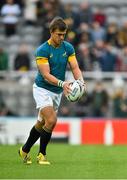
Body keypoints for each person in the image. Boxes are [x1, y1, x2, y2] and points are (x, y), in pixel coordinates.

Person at [18, 17, 85, 165]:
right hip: (42, 89)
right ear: (51, 32)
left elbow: (74, 67)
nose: (62, 37)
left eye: (64, 34)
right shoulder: (42, 50)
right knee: (52, 120)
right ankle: (41, 155)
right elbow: (46, 75)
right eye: (59, 34)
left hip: (57, 91)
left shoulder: (68, 48)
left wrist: (81, 81)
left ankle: (24, 149)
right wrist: (63, 83)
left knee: (42, 123)